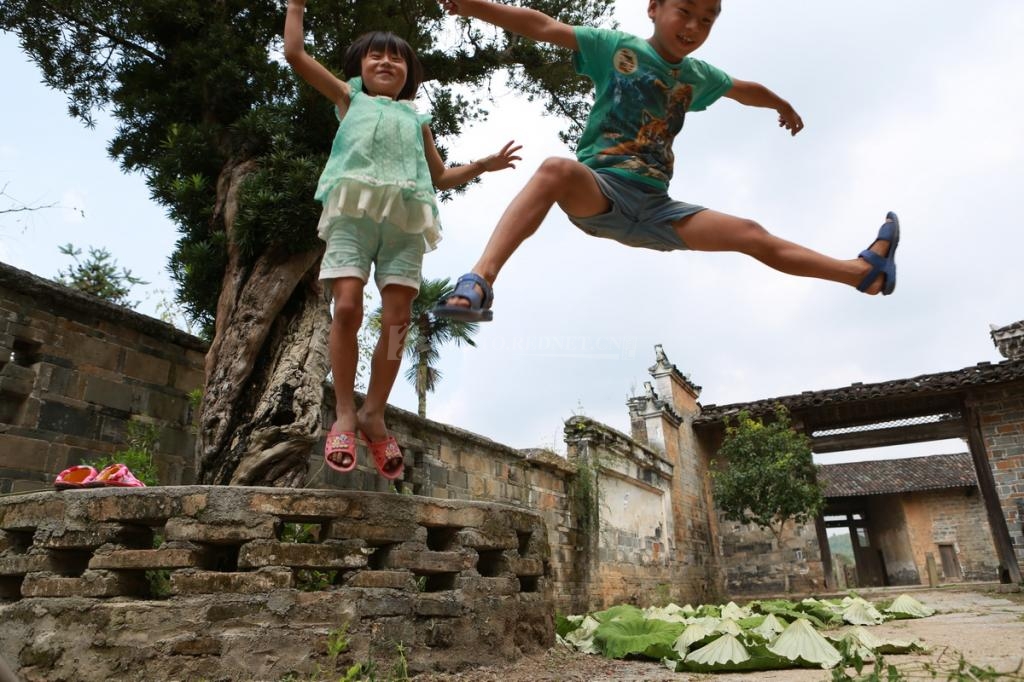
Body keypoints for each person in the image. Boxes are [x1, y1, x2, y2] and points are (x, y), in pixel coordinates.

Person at [433, 0, 899, 323]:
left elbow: (743, 89)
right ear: (654, 8)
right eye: (685, 12)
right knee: (557, 169)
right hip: (601, 194)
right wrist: (473, 6)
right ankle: (479, 280)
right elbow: (542, 26)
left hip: (657, 209)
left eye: (707, 19)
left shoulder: (698, 76)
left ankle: (860, 273)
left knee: (751, 234)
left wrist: (781, 104)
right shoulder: (616, 47)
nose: (694, 27)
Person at [284, 0, 522, 479]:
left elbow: (441, 176)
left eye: (396, 58)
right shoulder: (349, 98)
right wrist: (295, 6)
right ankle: (346, 413)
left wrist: (482, 165)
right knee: (347, 306)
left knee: (397, 320)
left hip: (406, 222)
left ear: (409, 72)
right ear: (359, 67)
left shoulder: (417, 117)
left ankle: (374, 412)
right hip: (353, 214)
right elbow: (295, 55)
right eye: (376, 56)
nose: (386, 62)